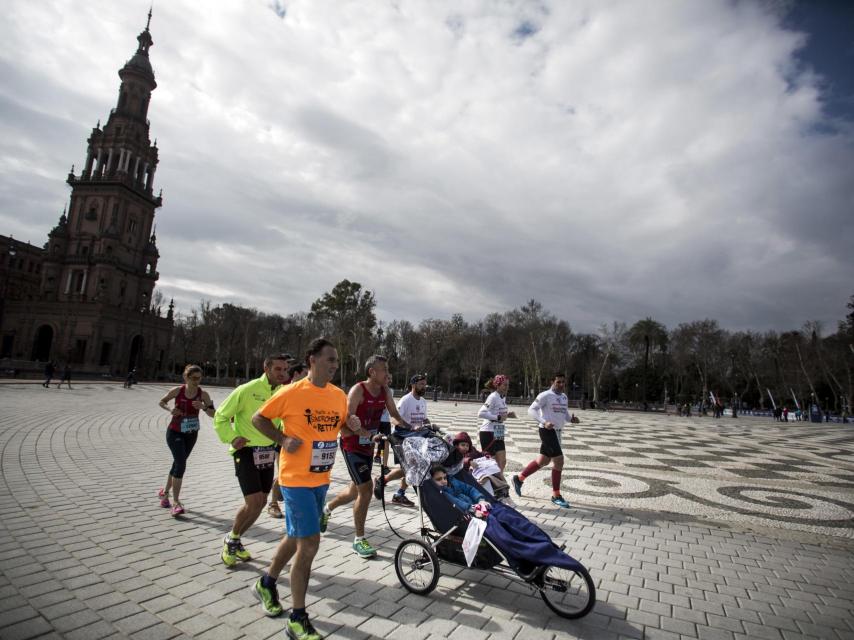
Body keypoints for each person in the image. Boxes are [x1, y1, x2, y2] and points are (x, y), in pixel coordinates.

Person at [249, 338, 360, 640]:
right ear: (312, 360)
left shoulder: (338, 396)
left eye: (337, 361)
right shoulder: (292, 392)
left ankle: (267, 583)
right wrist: (282, 440)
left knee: (295, 536)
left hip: (320, 479)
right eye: (330, 359)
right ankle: (297, 617)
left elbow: (341, 429)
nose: (335, 365)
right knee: (309, 544)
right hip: (295, 479)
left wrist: (353, 424)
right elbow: (258, 418)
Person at [323, 356, 413, 558]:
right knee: (366, 490)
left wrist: (413, 428)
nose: (387, 373)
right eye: (384, 369)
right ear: (372, 371)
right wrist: (367, 434)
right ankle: (359, 540)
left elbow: (394, 414)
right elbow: (347, 420)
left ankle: (327, 509)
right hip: (351, 445)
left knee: (354, 491)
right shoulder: (358, 390)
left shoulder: (385, 391)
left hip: (368, 445)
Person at [213, 354, 292, 567]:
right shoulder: (247, 390)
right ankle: (231, 539)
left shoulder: (284, 392)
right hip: (246, 450)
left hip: (267, 450)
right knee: (254, 501)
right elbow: (220, 416)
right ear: (266, 368)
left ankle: (235, 539)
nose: (283, 374)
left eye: (285, 370)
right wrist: (232, 437)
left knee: (261, 502)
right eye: (278, 369)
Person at [157, 364, 216, 516]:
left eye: (199, 378)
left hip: (191, 433)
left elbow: (214, 414)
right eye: (194, 378)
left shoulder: (203, 394)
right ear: (186, 377)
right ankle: (176, 503)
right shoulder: (178, 390)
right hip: (175, 432)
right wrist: (170, 409)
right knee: (181, 463)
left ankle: (164, 493)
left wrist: (203, 407)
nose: (197, 381)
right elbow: (162, 401)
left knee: (178, 463)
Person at [512, 373, 572, 508]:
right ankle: (556, 495)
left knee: (543, 461)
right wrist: (544, 422)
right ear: (552, 382)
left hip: (557, 433)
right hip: (547, 431)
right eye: (558, 382)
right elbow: (531, 410)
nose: (561, 385)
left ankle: (519, 478)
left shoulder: (564, 397)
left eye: (563, 382)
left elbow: (565, 415)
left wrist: (572, 419)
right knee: (559, 461)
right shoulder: (545, 395)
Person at [374, 373, 432, 507]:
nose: (424, 387)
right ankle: (396, 491)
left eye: (425, 384)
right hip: (402, 437)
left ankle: (389, 485)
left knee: (412, 467)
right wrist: (410, 427)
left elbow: (423, 419)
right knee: (411, 467)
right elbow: (394, 419)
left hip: (416, 439)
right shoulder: (406, 400)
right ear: (413, 385)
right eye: (421, 384)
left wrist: (428, 424)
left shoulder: (423, 401)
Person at [268, 361, 309, 518]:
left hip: (302, 441)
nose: (308, 378)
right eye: (305, 374)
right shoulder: (284, 391)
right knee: (283, 472)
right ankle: (273, 504)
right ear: (296, 374)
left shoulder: (306, 392)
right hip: (283, 439)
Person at [477, 375, 516, 474]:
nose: (507, 387)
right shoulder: (493, 397)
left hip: (498, 432)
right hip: (488, 432)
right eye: (505, 385)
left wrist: (507, 415)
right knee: (491, 464)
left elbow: (496, 412)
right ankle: (491, 485)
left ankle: (497, 485)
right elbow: (481, 413)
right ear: (498, 385)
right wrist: (498, 417)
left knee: (502, 462)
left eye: (508, 385)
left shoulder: (502, 397)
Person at [374, 373, 393, 466]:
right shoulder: (376, 390)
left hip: (386, 421)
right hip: (376, 420)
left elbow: (389, 406)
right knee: (374, 440)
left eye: (391, 379)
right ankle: (376, 456)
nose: (389, 380)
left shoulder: (390, 391)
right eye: (388, 378)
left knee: (385, 441)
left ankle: (384, 463)